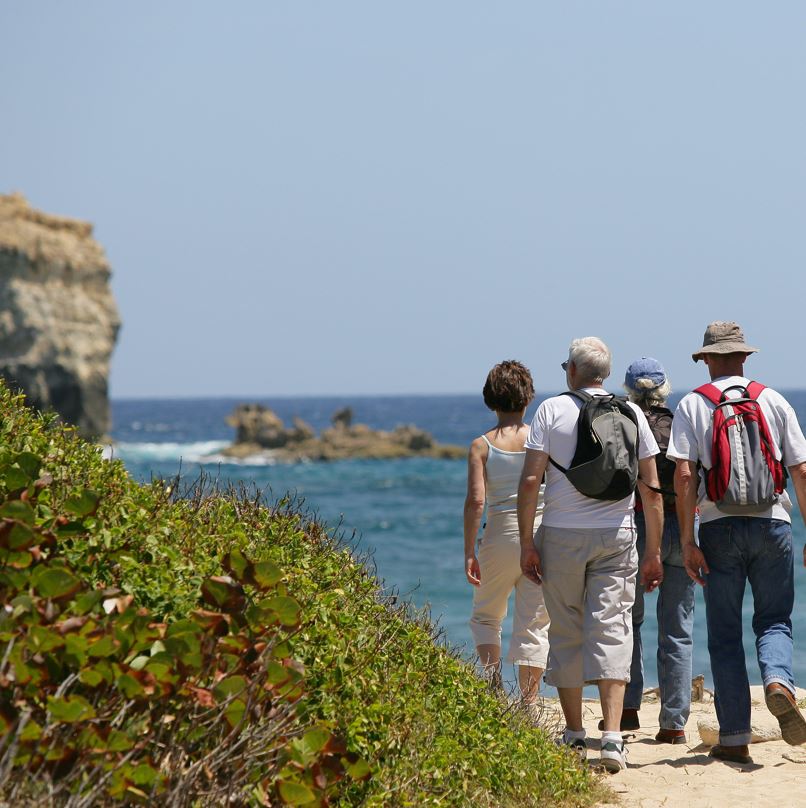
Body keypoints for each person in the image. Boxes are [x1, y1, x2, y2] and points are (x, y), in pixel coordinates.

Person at [518, 337, 664, 773]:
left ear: (572, 371)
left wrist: (527, 542)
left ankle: (575, 733)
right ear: (603, 373)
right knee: (614, 629)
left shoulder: (551, 410)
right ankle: (614, 737)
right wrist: (653, 550)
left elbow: (530, 482)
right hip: (618, 535)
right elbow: (652, 491)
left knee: (566, 629)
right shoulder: (632, 412)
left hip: (562, 534)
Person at [668, 321, 806, 765]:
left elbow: (685, 474)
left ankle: (734, 737)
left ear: (707, 359)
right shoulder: (773, 399)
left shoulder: (694, 404)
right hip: (773, 524)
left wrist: (687, 541)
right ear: (745, 357)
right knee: (774, 620)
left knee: (724, 633)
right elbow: (800, 470)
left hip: (717, 526)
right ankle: (779, 681)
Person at [617, 358, 696, 744]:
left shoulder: (624, 422)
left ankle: (628, 708)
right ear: (664, 390)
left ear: (630, 391)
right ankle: (674, 722)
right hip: (680, 525)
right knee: (677, 629)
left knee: (628, 621)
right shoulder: (681, 420)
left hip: (637, 527)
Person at [464, 360, 550, 704]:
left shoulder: (481, 445)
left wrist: (469, 550)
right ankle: (529, 705)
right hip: (540, 537)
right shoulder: (541, 439)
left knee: (486, 615)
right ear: (527, 398)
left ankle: (493, 689)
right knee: (534, 624)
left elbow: (476, 501)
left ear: (490, 399)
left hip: (499, 536)